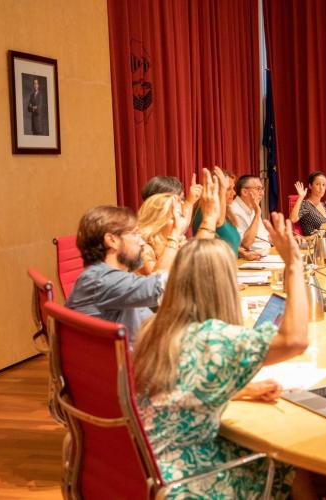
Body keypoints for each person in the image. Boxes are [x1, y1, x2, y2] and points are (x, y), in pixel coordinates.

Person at [133, 212, 310, 499]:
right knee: (290, 460)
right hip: (182, 485)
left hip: (141, 469)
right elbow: (295, 340)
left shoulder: (153, 328)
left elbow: (175, 392)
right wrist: (294, 265)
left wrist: (242, 390)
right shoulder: (215, 340)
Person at [67, 169, 220, 341]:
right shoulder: (100, 280)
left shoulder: (109, 278)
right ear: (112, 240)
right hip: (136, 355)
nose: (141, 242)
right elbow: (166, 283)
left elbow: (154, 315)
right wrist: (208, 219)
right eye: (135, 234)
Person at [136, 193, 187, 275]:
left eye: (180, 216)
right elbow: (157, 279)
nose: (179, 222)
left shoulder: (181, 243)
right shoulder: (143, 249)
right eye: (173, 218)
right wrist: (174, 236)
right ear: (157, 221)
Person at [230, 175, 272, 254]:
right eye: (258, 189)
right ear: (244, 192)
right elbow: (246, 244)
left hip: (266, 253)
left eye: (262, 189)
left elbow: (265, 237)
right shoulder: (233, 210)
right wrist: (257, 214)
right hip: (251, 257)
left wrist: (288, 238)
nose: (262, 193)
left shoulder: (253, 207)